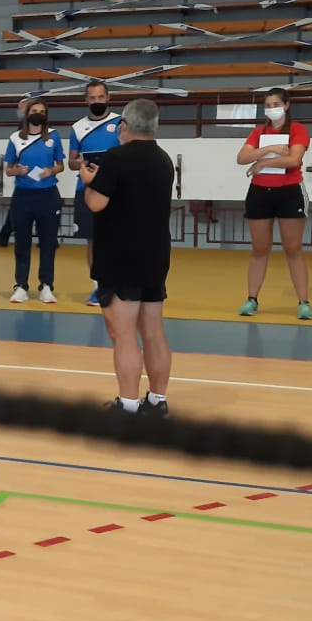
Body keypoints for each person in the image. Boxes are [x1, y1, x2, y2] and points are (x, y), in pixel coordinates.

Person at [79, 99, 174, 417]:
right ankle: (158, 401)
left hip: (120, 256)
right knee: (153, 332)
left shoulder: (116, 158)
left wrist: (89, 181)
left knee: (123, 334)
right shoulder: (164, 159)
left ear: (124, 126)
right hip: (155, 255)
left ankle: (129, 404)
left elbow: (96, 202)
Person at [234, 88, 312, 320]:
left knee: (293, 248)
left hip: (289, 192)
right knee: (259, 249)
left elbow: (294, 159)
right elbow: (242, 158)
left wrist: (262, 163)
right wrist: (269, 149)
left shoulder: (298, 129)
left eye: (276, 104)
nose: (272, 109)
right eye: (268, 105)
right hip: (260, 192)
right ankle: (252, 299)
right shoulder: (258, 132)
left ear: (286, 105)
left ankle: (304, 302)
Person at [0, 97, 65, 304]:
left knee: (48, 243)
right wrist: (17, 171)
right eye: (34, 111)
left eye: (42, 111)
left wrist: (51, 171)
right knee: (22, 243)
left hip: (48, 195)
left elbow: (61, 165)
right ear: (27, 114)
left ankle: (46, 285)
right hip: (23, 196)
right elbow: (8, 170)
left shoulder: (54, 136)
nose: (38, 114)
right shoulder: (15, 138)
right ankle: (20, 286)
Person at [69, 81, 121, 307]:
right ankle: (98, 287)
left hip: (115, 191)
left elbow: (127, 153)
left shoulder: (120, 122)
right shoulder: (77, 127)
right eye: (92, 97)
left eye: (100, 97)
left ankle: (117, 284)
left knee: (116, 239)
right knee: (92, 240)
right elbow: (71, 161)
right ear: (86, 100)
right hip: (87, 189)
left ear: (108, 98)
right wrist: (81, 163)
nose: (97, 101)